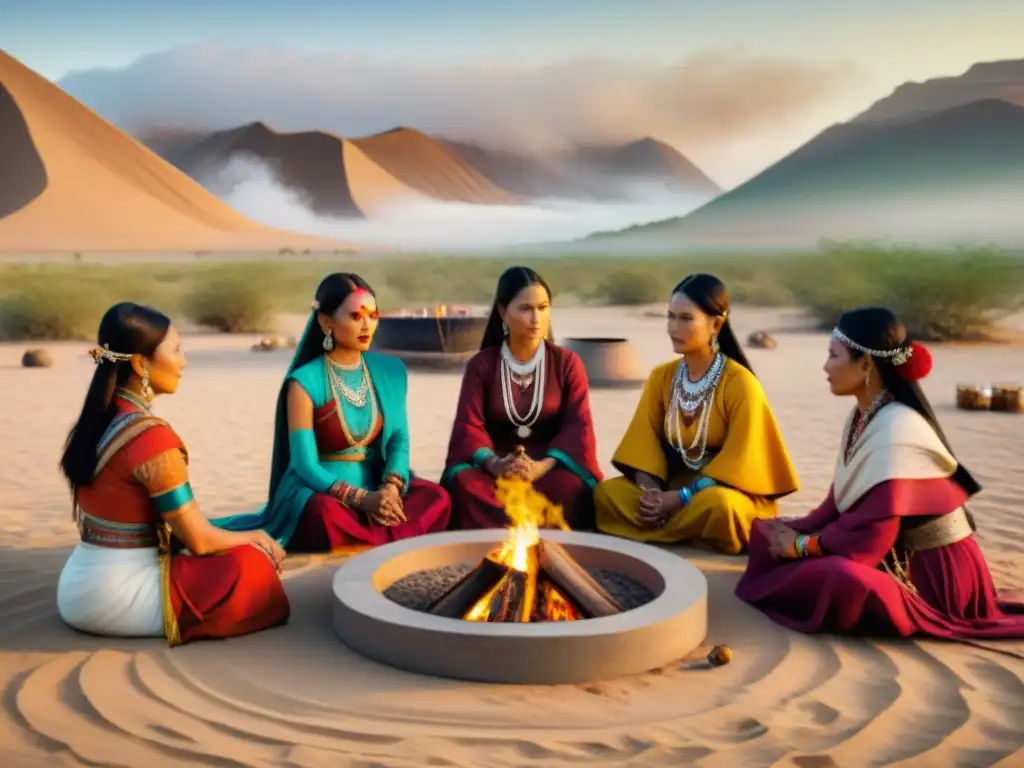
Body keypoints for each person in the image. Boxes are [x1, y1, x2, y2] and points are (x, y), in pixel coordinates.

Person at [735, 307, 1024, 638]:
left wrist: (800, 546)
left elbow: (871, 536)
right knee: (766, 533)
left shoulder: (895, 429)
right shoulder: (862, 417)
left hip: (929, 576)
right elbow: (839, 503)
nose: (825, 366)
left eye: (833, 356)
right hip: (885, 553)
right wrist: (789, 531)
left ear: (866, 364)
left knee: (838, 577)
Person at [56, 303, 290, 646]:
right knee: (251, 565)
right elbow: (200, 541)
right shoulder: (151, 438)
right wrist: (257, 539)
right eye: (177, 351)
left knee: (228, 538)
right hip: (116, 599)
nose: (183, 363)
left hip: (75, 587)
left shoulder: (98, 421)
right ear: (139, 364)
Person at [212, 273, 451, 550]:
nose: (367, 326)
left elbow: (398, 438)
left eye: (373, 316)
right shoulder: (304, 383)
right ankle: (382, 538)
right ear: (327, 323)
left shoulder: (391, 372)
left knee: (437, 498)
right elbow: (305, 465)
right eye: (356, 316)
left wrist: (391, 487)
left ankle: (373, 536)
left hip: (377, 483)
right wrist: (362, 499)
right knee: (323, 515)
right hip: (323, 491)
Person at [593, 274, 798, 553]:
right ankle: (678, 528)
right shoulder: (661, 377)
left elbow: (740, 465)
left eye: (686, 319)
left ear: (716, 323)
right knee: (607, 494)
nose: (673, 328)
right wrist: (650, 494)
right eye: (670, 317)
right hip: (673, 487)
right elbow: (643, 445)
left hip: (721, 492)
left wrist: (680, 498)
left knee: (722, 508)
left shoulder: (740, 383)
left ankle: (670, 528)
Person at [443, 266, 603, 529]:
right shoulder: (482, 365)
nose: (536, 318)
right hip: (494, 465)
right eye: (526, 309)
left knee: (572, 487)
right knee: (465, 485)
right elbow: (468, 426)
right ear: (503, 312)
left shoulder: (567, 363)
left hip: (548, 467)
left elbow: (578, 428)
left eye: (543, 307)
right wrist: (495, 464)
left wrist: (541, 467)